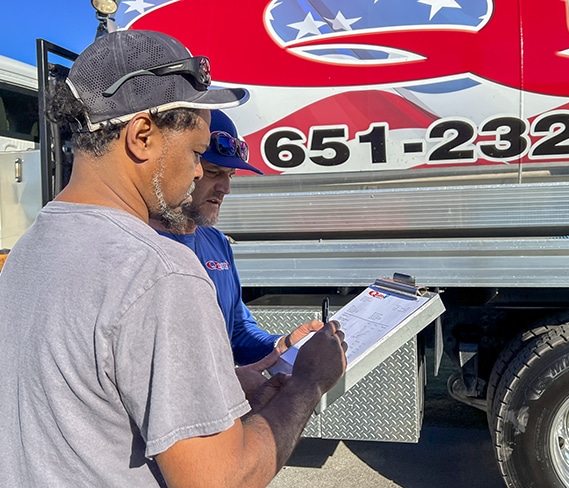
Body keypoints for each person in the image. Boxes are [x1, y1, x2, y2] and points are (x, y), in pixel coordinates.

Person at [0, 30, 346, 488]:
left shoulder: (32, 246)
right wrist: (308, 383)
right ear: (142, 135)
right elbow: (223, 479)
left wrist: (228, 381)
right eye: (198, 152)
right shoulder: (160, 271)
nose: (202, 173)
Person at [150, 109, 321, 369]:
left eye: (230, 175)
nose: (225, 188)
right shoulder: (139, 244)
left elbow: (238, 331)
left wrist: (281, 346)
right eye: (214, 172)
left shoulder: (216, 242)